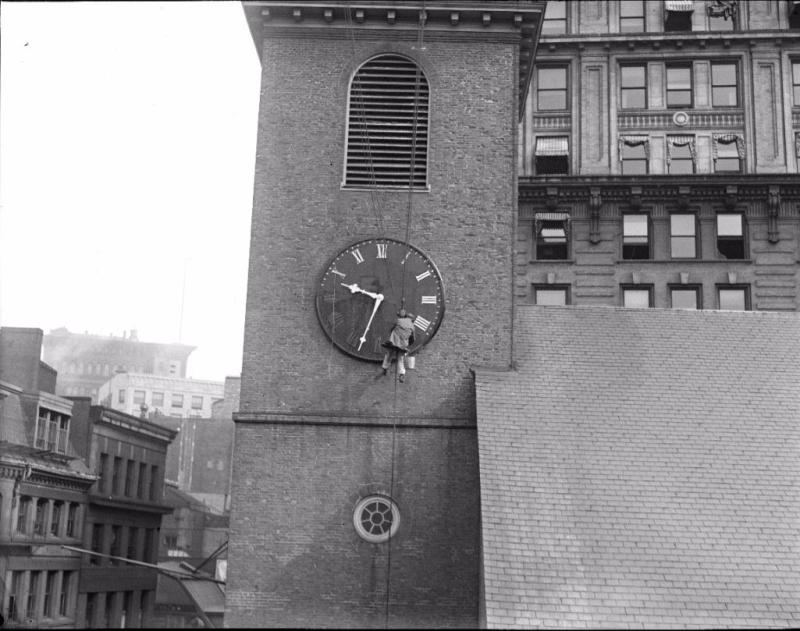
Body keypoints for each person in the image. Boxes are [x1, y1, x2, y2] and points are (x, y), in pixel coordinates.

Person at [381, 309, 415, 382]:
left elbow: (391, 329)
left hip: (393, 343)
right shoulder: (412, 326)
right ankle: (402, 374)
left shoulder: (398, 320)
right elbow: (413, 339)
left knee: (388, 355)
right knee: (400, 359)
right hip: (403, 345)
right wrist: (407, 344)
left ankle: (385, 368)